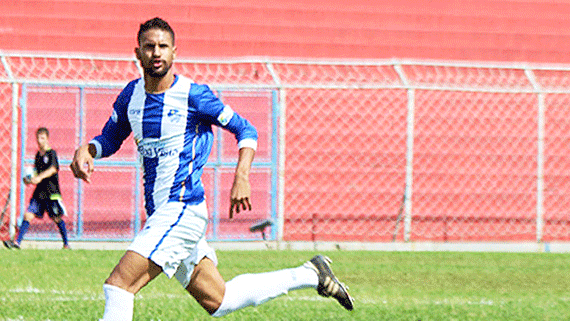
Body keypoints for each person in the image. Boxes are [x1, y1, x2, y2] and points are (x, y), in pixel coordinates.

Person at [70, 17, 353, 320]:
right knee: (221, 300)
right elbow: (111, 137)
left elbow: (246, 130)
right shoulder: (131, 95)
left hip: (182, 210)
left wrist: (241, 176)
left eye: (163, 46)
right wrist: (89, 149)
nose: (156, 52)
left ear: (174, 52)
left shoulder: (193, 95)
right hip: (161, 214)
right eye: (149, 46)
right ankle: (312, 274)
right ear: (136, 52)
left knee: (119, 286)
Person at [3, 127, 69, 250]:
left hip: (51, 193)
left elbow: (53, 169)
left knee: (56, 218)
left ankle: (66, 244)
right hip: (39, 193)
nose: (39, 140)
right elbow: (35, 171)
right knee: (28, 215)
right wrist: (29, 179)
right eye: (38, 138)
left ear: (47, 139)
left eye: (42, 138)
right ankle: (17, 242)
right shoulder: (38, 155)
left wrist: (39, 178)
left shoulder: (51, 153)